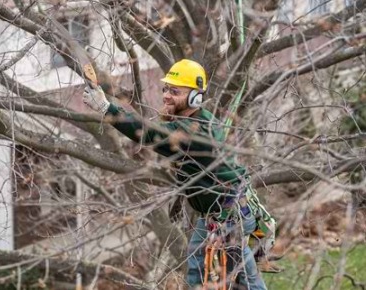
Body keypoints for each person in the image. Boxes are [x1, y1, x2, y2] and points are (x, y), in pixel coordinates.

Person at [83, 59, 267, 289]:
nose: (167, 95)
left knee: (246, 281)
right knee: (197, 270)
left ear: (195, 97)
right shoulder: (190, 121)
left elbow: (149, 134)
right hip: (215, 214)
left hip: (230, 215)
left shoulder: (196, 130)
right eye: (166, 89)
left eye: (175, 91)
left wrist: (106, 108)